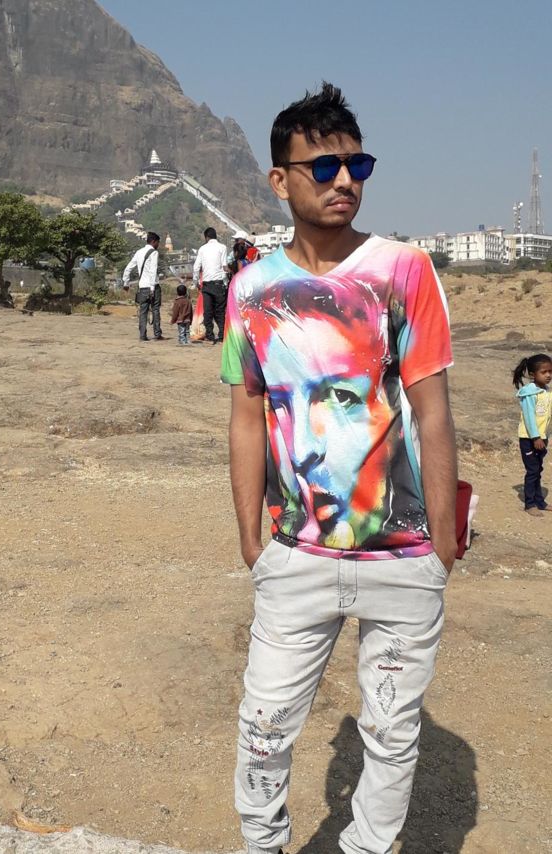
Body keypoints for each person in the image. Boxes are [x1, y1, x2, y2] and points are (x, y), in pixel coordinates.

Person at [220, 82, 457, 854]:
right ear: (280, 180)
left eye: (358, 164)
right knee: (264, 727)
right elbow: (247, 415)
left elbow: (432, 408)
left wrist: (442, 542)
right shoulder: (252, 290)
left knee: (391, 733)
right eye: (323, 167)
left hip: (404, 558)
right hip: (297, 556)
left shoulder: (403, 270)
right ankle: (263, 844)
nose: (345, 180)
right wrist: (252, 540)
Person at [513, 352, 552, 516]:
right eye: (544, 372)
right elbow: (529, 417)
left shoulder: (546, 391)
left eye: (550, 371)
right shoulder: (529, 393)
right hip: (530, 439)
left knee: (538, 470)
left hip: (542, 438)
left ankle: (540, 502)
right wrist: (535, 437)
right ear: (532, 374)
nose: (548, 375)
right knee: (532, 471)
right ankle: (530, 504)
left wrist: (545, 436)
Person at [122, 231, 164, 341]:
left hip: (142, 287)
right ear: (153, 241)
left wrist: (126, 283)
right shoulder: (154, 253)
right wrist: (152, 288)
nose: (158, 245)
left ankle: (142, 335)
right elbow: (153, 270)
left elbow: (128, 268)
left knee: (143, 311)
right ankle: (157, 334)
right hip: (153, 286)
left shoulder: (139, 252)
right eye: (158, 242)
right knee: (155, 309)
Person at [192, 227, 228, 344]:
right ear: (215, 236)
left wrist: (196, 282)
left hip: (206, 284)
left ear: (206, 237)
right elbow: (224, 267)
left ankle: (209, 335)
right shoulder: (223, 247)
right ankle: (222, 335)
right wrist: (226, 283)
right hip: (219, 283)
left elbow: (196, 268)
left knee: (207, 312)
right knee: (220, 311)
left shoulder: (202, 249)